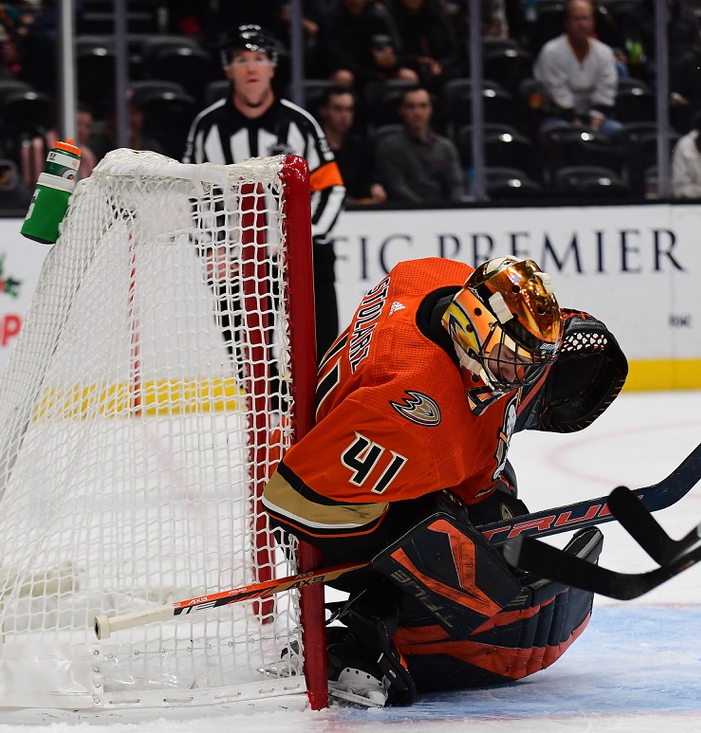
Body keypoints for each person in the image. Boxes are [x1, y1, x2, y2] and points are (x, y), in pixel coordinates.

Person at [263, 255, 628, 706]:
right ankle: (363, 638)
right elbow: (291, 501)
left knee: (494, 501)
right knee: (472, 583)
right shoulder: (416, 408)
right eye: (511, 361)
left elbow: (473, 442)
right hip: (321, 508)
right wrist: (403, 552)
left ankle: (422, 573)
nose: (521, 378)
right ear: (469, 327)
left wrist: (489, 510)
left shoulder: (438, 275)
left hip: (360, 446)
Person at [184, 25, 346, 360]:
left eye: (258, 58)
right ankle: (263, 413)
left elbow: (331, 188)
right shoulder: (207, 127)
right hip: (234, 260)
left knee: (318, 355)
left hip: (303, 257)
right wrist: (212, 247)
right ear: (228, 69)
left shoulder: (300, 123)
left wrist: (302, 239)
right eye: (241, 60)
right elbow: (190, 195)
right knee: (249, 362)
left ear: (272, 66)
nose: (251, 67)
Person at [532, 0, 620, 138]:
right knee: (558, 134)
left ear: (593, 22)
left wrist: (595, 123)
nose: (581, 24)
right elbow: (556, 90)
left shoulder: (605, 53)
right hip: (560, 117)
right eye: (576, 18)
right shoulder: (551, 52)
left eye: (585, 18)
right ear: (566, 22)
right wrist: (575, 122)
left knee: (617, 131)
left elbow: (606, 90)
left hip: (595, 118)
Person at [374, 86, 464, 202]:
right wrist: (424, 210)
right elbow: (397, 188)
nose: (418, 112)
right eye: (411, 107)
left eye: (423, 106)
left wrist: (452, 208)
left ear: (430, 109)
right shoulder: (389, 147)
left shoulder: (445, 147)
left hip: (443, 211)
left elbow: (456, 185)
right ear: (401, 110)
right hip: (407, 212)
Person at [315, 0, 419, 92]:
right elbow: (336, 60)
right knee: (343, 77)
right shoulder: (332, 19)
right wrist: (371, 72)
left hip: (380, 70)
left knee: (408, 77)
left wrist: (392, 60)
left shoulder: (380, 16)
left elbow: (399, 51)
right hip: (354, 72)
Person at [319, 88, 386, 205]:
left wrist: (374, 187)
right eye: (338, 109)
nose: (344, 116)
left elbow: (367, 179)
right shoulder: (313, 146)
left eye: (349, 110)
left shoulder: (359, 146)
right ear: (324, 110)